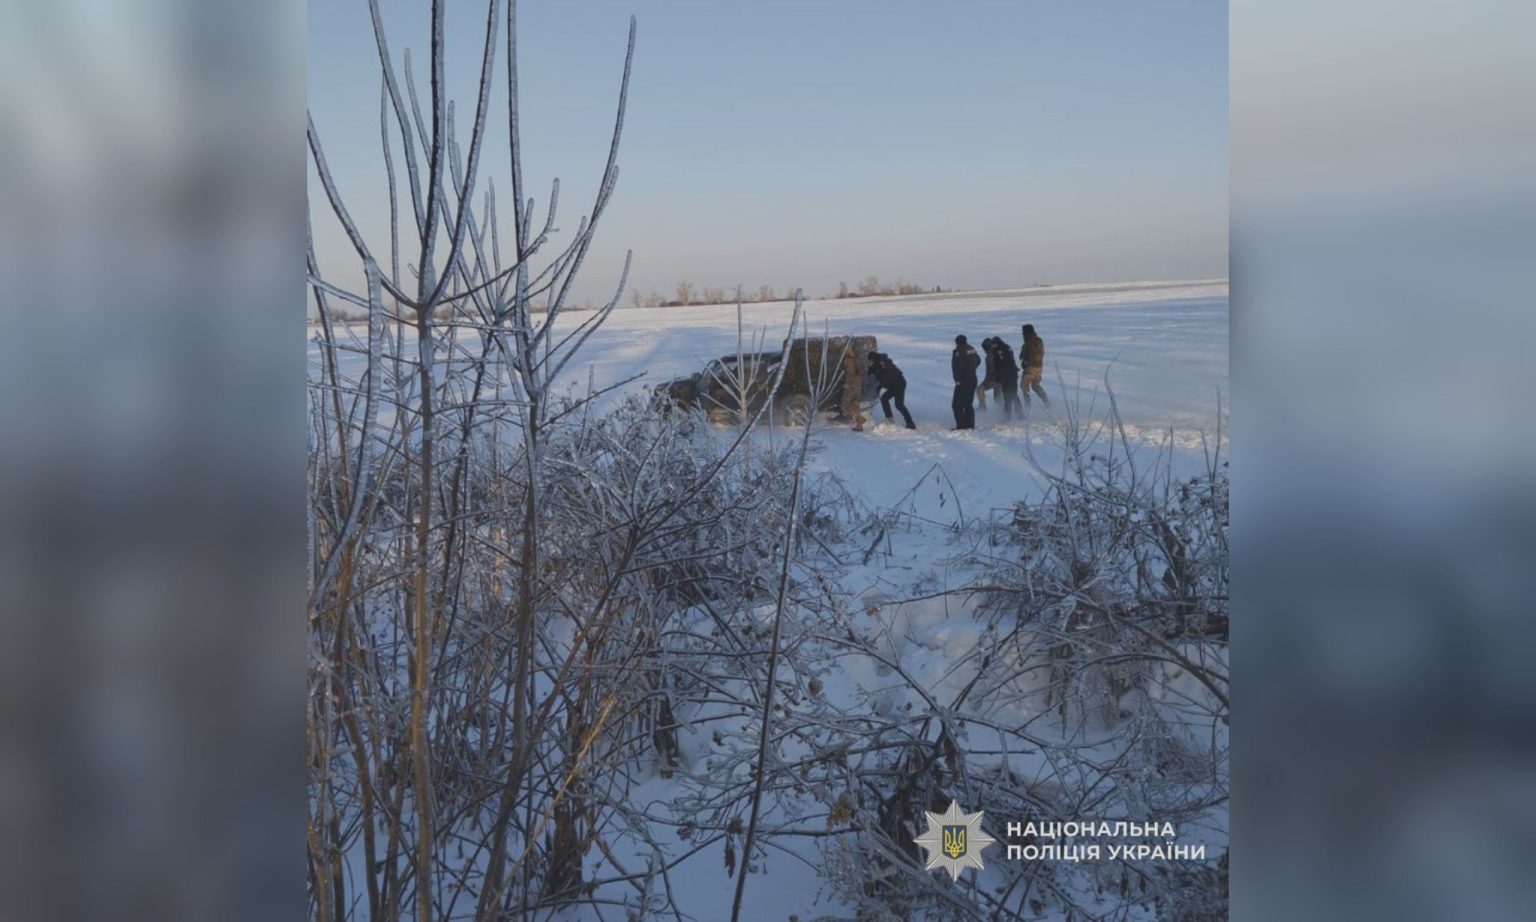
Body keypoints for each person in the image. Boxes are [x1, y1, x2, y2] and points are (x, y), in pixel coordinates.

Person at [867, 351, 916, 429]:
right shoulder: (877, 364)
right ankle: (889, 419)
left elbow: (885, 378)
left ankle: (910, 423)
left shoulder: (885, 364)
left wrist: (880, 385)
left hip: (899, 384)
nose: (870, 363)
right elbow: (871, 371)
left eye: (870, 361)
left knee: (899, 405)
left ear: (874, 359)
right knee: (884, 399)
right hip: (893, 385)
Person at [950, 334, 981, 430]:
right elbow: (978, 360)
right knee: (968, 404)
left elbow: (959, 367)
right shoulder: (971, 349)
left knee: (956, 404)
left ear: (957, 342)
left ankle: (961, 425)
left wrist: (958, 380)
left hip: (963, 381)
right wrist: (971, 369)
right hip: (972, 379)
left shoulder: (959, 351)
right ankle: (970, 425)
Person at [989, 337, 1021, 420]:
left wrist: (999, 377)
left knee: (1007, 395)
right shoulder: (1007, 346)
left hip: (1006, 375)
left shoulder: (997, 350)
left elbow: (1000, 364)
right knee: (1014, 394)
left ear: (995, 344)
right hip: (1013, 373)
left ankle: (1007, 416)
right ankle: (1020, 414)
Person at [1020, 323, 1050, 409]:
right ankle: (1047, 402)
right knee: (1035, 385)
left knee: (1024, 386)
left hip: (1030, 367)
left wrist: (1026, 365)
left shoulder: (1030, 341)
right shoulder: (1038, 340)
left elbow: (1031, 355)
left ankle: (1027, 406)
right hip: (1039, 366)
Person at [976, 337, 995, 411]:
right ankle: (1002, 410)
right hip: (1001, 379)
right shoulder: (995, 353)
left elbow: (991, 369)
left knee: (979, 389)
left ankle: (982, 407)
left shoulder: (990, 356)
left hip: (994, 379)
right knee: (999, 395)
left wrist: (987, 380)